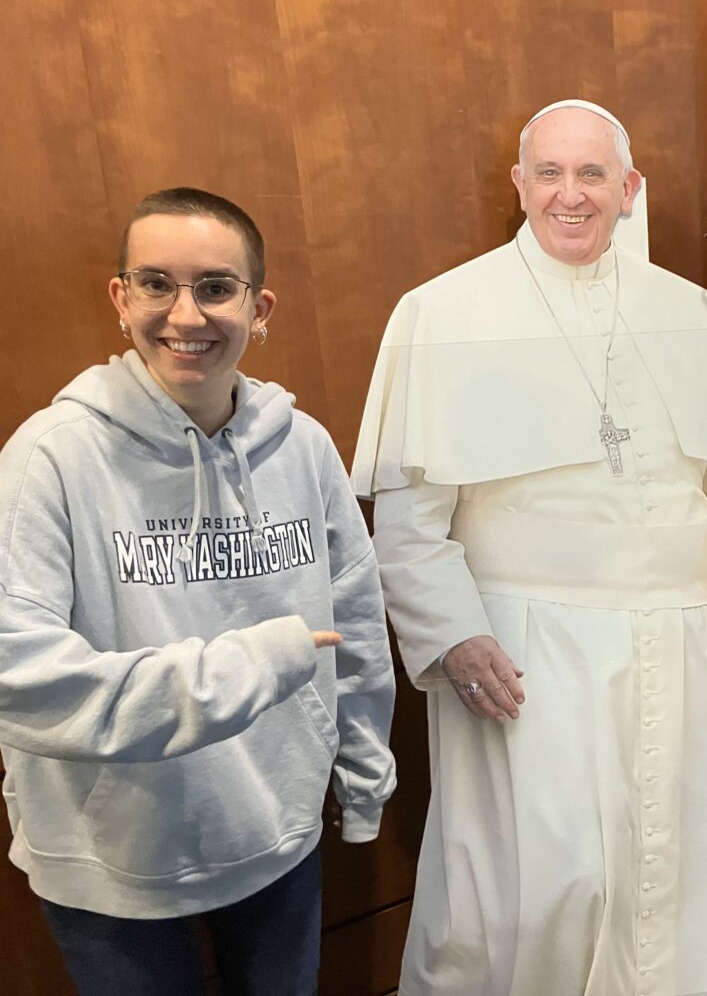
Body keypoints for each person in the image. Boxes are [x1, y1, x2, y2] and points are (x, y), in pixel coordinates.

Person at [0, 187, 396, 996]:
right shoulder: (51, 457)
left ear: (259, 308)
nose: (185, 314)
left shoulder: (304, 447)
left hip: (276, 832)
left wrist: (363, 776)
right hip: (110, 861)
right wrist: (249, 666)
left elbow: (355, 613)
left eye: (215, 287)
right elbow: (18, 672)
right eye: (156, 283)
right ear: (121, 299)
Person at [351, 100, 707, 996]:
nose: (569, 195)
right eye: (548, 173)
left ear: (628, 190)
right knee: (547, 889)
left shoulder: (690, 313)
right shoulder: (443, 312)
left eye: (591, 175)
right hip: (522, 654)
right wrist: (453, 637)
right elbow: (406, 517)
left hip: (681, 642)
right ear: (519, 185)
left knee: (674, 879)